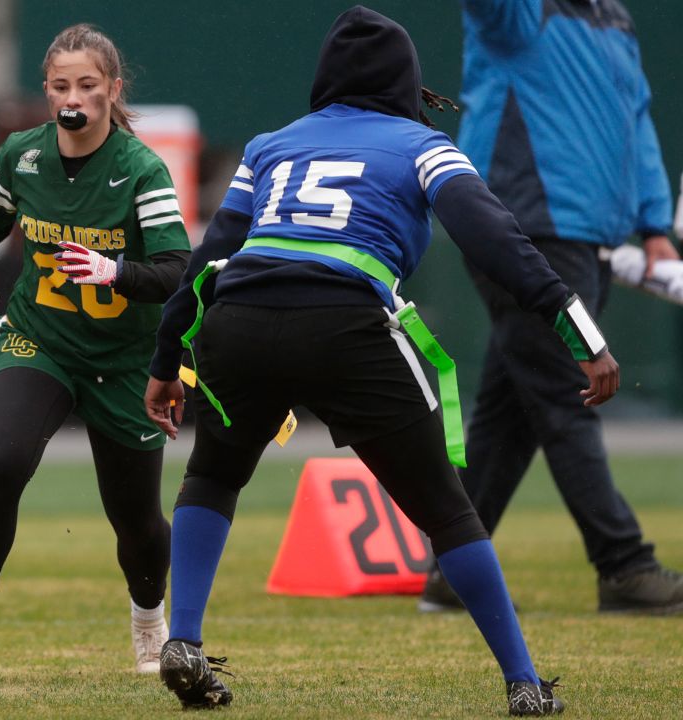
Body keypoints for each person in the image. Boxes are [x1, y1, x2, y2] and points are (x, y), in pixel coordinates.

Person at [144, 6, 616, 714]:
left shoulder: (271, 145)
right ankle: (523, 682)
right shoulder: (421, 145)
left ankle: (181, 637)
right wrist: (580, 332)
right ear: (407, 83)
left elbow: (211, 257)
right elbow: (498, 239)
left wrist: (163, 361)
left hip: (239, 320)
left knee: (211, 474)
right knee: (448, 512)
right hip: (344, 324)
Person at [0, 23, 190, 674]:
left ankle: (150, 622)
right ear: (47, 91)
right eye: (61, 84)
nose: (74, 96)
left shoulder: (139, 168)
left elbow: (180, 268)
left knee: (136, 518)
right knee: (3, 462)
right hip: (38, 338)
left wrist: (115, 272)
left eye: (88, 85)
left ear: (111, 91)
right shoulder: (23, 156)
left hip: (124, 356)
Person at [420, 0, 683, 616]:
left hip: (584, 236)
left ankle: (451, 569)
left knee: (511, 412)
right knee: (570, 394)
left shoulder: (615, 17)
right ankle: (624, 565)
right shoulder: (520, 12)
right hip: (521, 233)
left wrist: (652, 224)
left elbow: (635, 117)